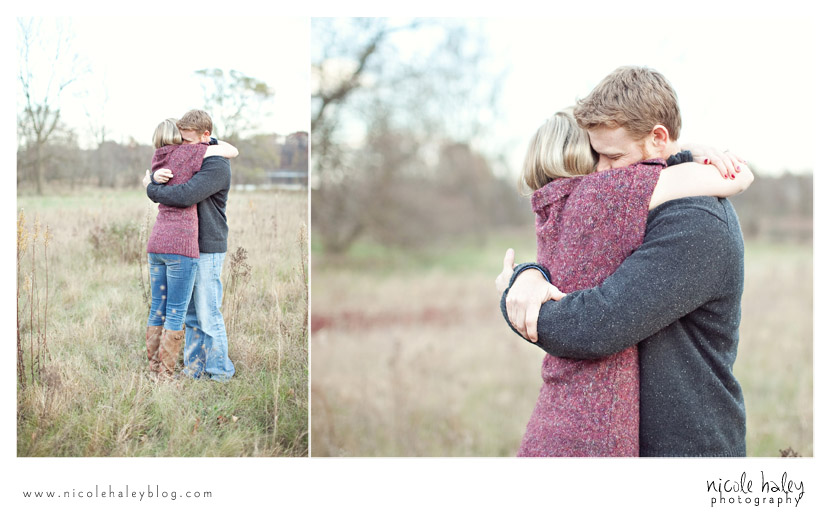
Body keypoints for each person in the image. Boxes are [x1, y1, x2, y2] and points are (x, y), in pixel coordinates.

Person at [499, 66, 750, 456]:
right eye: (596, 156)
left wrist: (516, 303)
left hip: (687, 450)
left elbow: (596, 325)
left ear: (658, 138)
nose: (600, 172)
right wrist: (529, 275)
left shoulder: (696, 223)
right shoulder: (635, 208)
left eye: (612, 156)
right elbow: (574, 265)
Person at [142, 109, 237, 382]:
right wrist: (154, 179)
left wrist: (151, 189)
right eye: (180, 139)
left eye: (187, 140)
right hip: (184, 247)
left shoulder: (216, 164)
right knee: (192, 314)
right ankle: (194, 368)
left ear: (206, 136)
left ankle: (220, 371)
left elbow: (186, 195)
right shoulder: (191, 154)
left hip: (207, 244)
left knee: (208, 312)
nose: (181, 146)